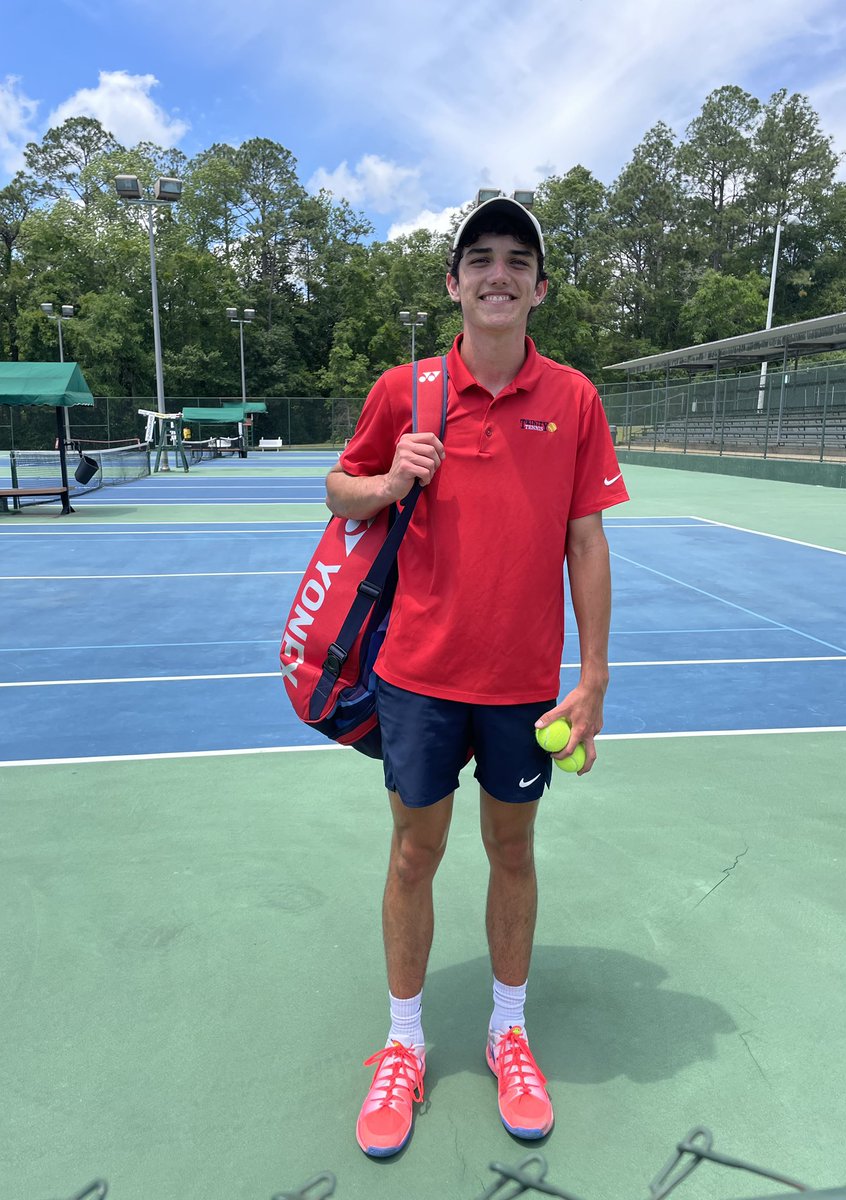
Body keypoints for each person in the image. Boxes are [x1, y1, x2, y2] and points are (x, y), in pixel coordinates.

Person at [325, 195, 629, 1158]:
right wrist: (388, 482)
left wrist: (594, 677)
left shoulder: (574, 397)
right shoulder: (404, 389)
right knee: (414, 856)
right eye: (480, 258)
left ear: (540, 286)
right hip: (415, 675)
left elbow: (585, 537)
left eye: (517, 260)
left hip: (523, 687)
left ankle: (507, 1031)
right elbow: (341, 488)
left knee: (511, 853)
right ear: (453, 282)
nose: (498, 274)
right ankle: (404, 1044)